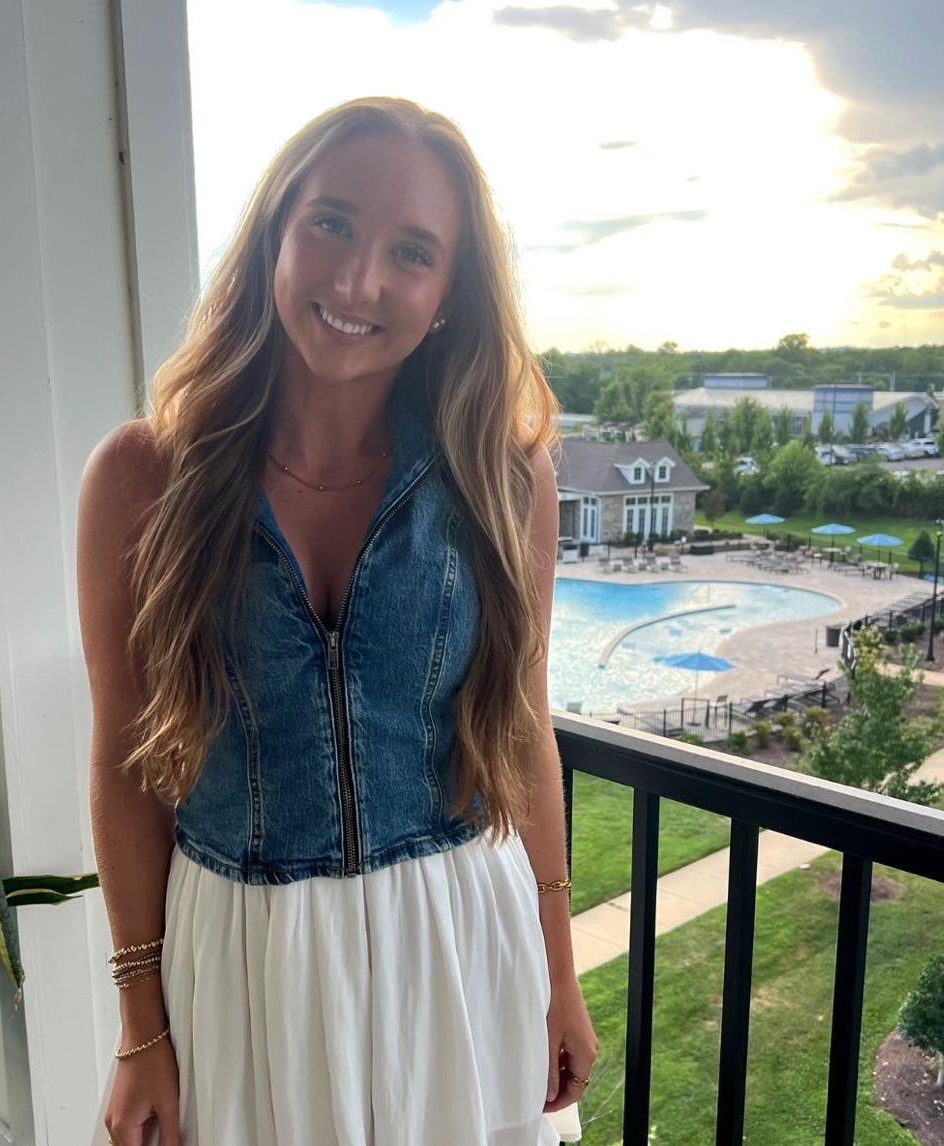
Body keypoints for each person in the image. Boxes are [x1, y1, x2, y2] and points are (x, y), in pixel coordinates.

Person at [78, 96, 598, 1146]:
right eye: (332, 224)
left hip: (461, 940)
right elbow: (126, 769)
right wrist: (141, 1027)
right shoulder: (143, 478)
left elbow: (520, 727)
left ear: (448, 294)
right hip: (244, 958)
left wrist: (558, 969)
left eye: (412, 252)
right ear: (274, 233)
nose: (360, 281)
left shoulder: (502, 474)